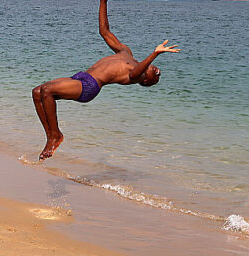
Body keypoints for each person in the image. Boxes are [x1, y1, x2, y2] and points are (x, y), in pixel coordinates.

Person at [32, 0, 180, 160]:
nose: (158, 73)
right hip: (81, 76)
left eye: (155, 78)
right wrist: (103, 2)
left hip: (89, 86)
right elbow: (104, 31)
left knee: (47, 91)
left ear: (145, 81)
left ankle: (56, 135)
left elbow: (139, 70)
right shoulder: (126, 52)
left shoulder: (135, 76)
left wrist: (155, 53)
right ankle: (50, 137)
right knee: (37, 92)